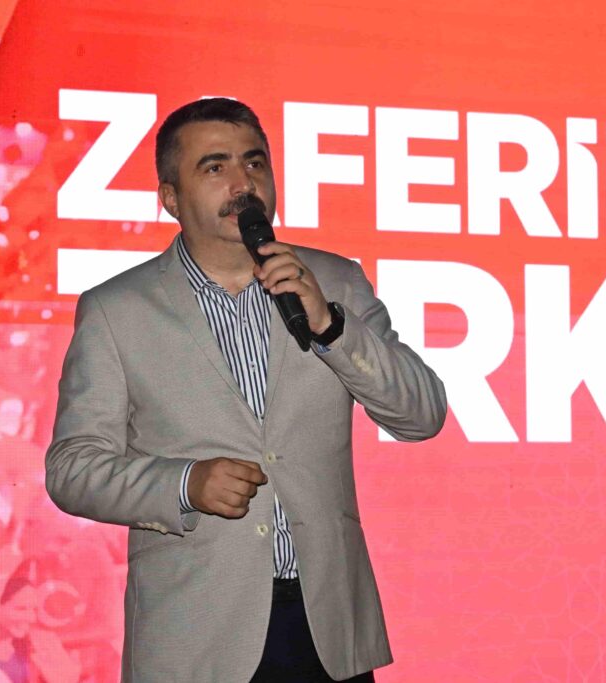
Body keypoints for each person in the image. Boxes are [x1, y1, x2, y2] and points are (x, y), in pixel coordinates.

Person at [45, 98, 447, 683]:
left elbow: (422, 415)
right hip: (196, 637)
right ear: (170, 198)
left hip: (328, 629)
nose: (243, 183)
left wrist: (331, 326)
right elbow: (72, 469)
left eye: (254, 162)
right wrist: (184, 484)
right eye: (215, 167)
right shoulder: (116, 310)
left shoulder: (334, 281)